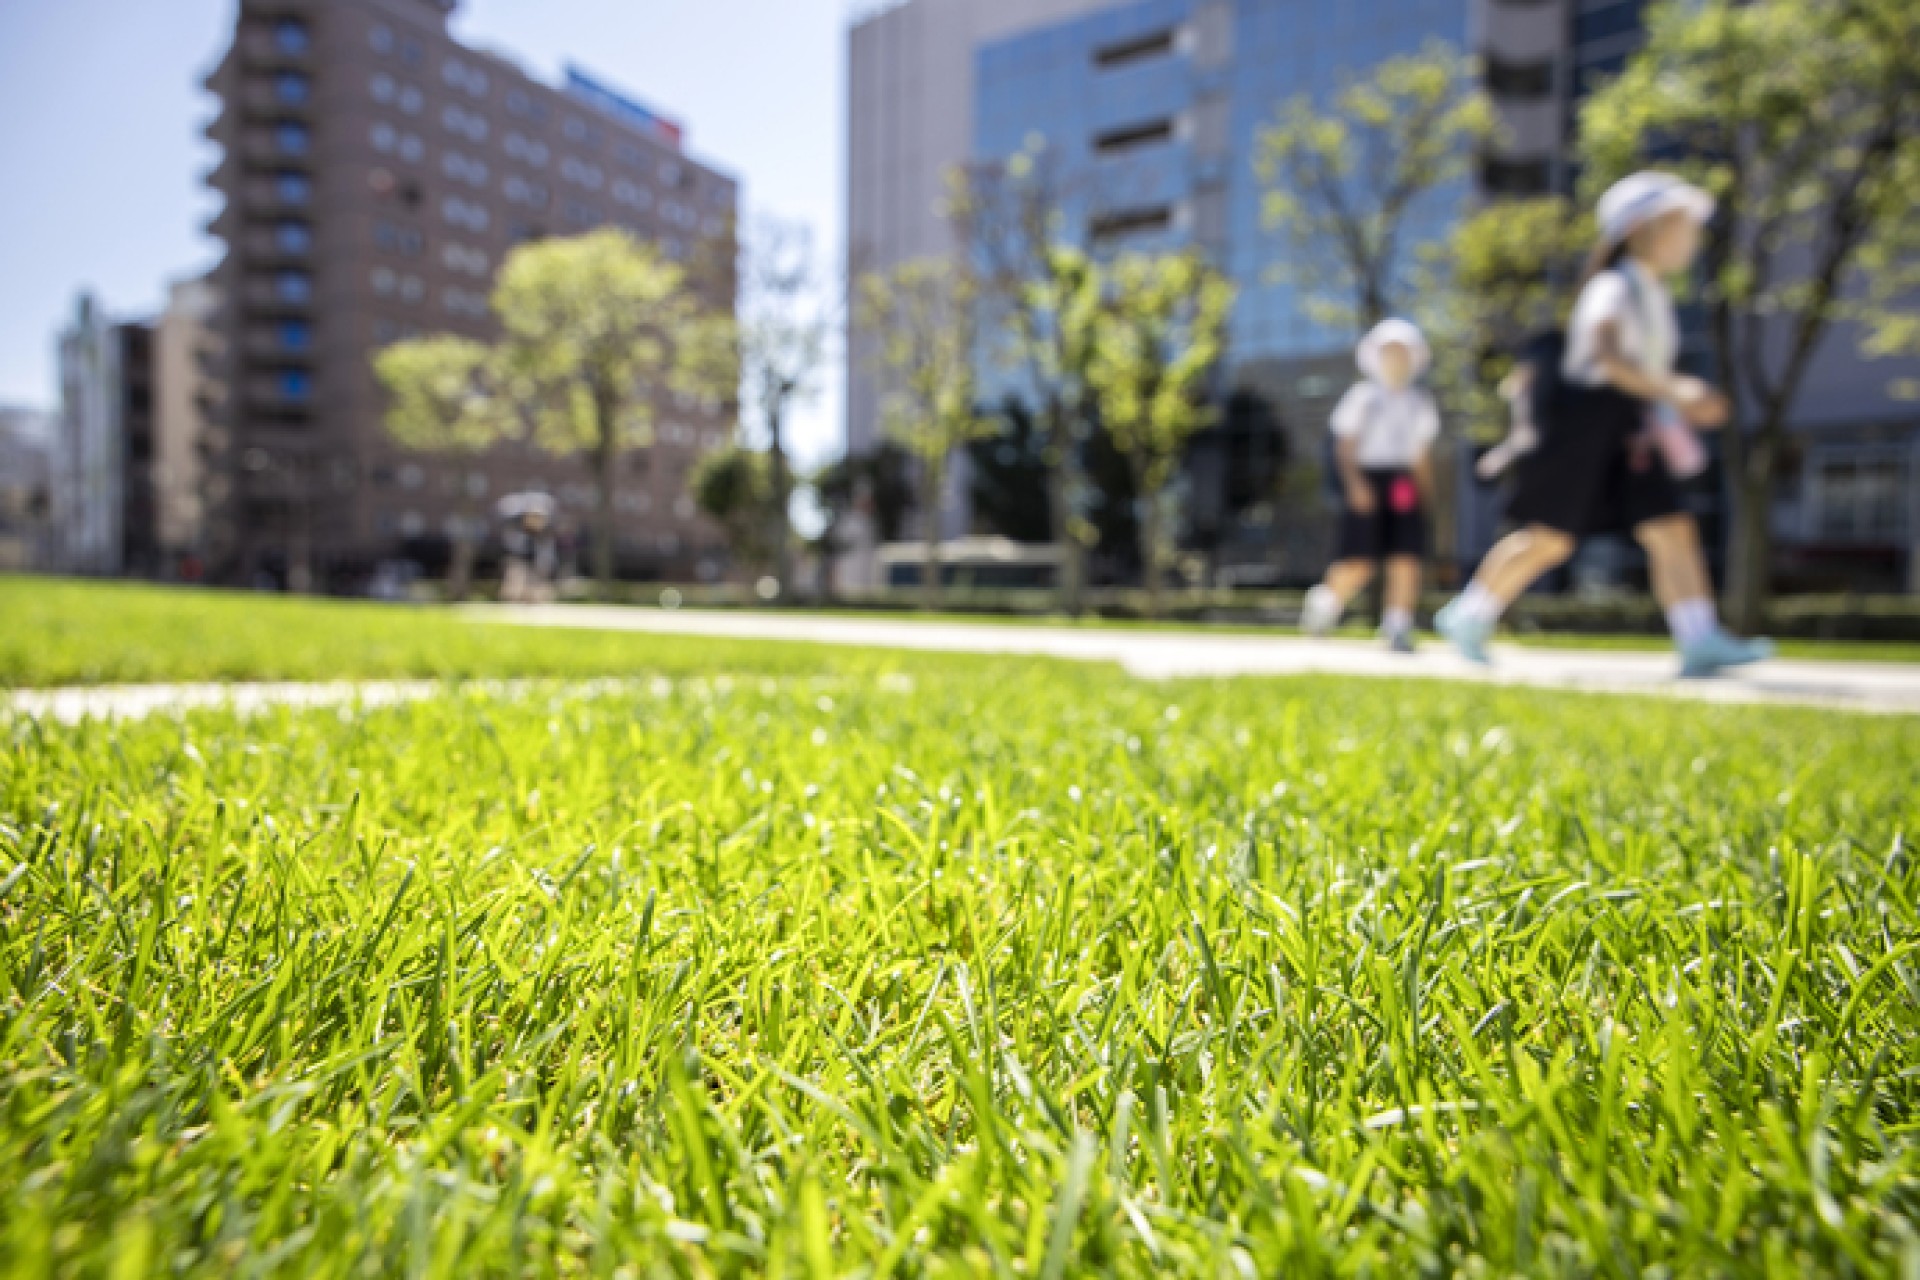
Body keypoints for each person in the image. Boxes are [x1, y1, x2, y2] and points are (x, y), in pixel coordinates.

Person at [1435, 171, 1772, 678]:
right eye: (1681, 225)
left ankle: (1699, 636)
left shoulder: (1651, 291)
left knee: (1671, 527)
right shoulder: (1614, 287)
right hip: (1588, 430)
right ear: (1642, 230)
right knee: (1551, 538)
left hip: (1629, 430)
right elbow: (1605, 351)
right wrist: (1676, 389)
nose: (1691, 238)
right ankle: (1468, 614)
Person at [1300, 317, 1440, 653]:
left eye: (1403, 352)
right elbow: (1344, 448)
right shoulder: (1362, 397)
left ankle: (1398, 626)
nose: (1397, 359)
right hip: (1367, 478)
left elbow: (1420, 456)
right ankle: (1324, 605)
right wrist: (1355, 485)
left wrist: (1426, 496)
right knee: (1359, 561)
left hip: (1402, 485)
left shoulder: (1420, 402)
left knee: (1406, 557)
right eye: (1390, 352)